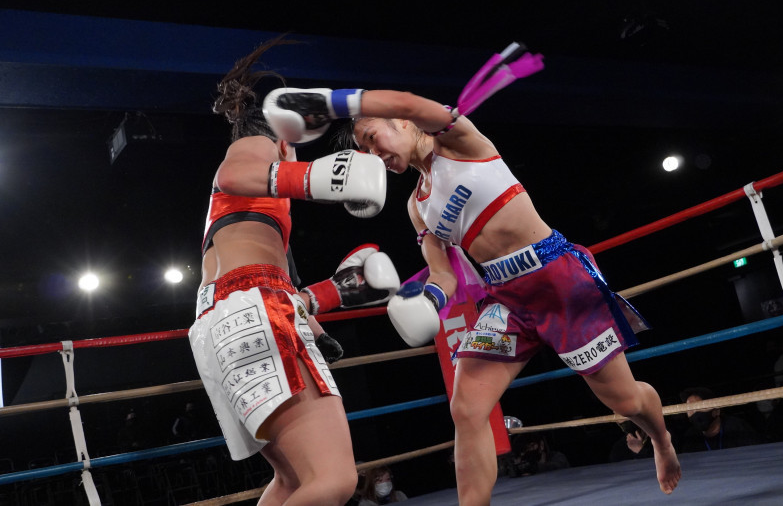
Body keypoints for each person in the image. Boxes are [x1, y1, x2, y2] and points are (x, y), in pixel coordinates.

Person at [263, 75, 682, 503]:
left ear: (403, 123)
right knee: (466, 408)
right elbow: (443, 275)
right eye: (365, 150)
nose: (374, 155)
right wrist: (428, 301)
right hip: (507, 300)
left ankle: (661, 439)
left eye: (372, 138)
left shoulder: (460, 142)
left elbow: (409, 102)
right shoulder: (417, 206)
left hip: (556, 278)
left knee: (624, 401)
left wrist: (336, 102)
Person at [188, 37, 400, 506]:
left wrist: (333, 295)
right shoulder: (257, 144)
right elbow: (234, 173)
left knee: (291, 482)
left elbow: (272, 286)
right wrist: (314, 177)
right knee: (334, 481)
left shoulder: (253, 217)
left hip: (219, 320)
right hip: (256, 308)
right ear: (286, 139)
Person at [679, 386, 762, 453]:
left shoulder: (737, 427)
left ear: (716, 411)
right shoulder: (691, 437)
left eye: (699, 407)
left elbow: (757, 453)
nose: (694, 413)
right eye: (690, 410)